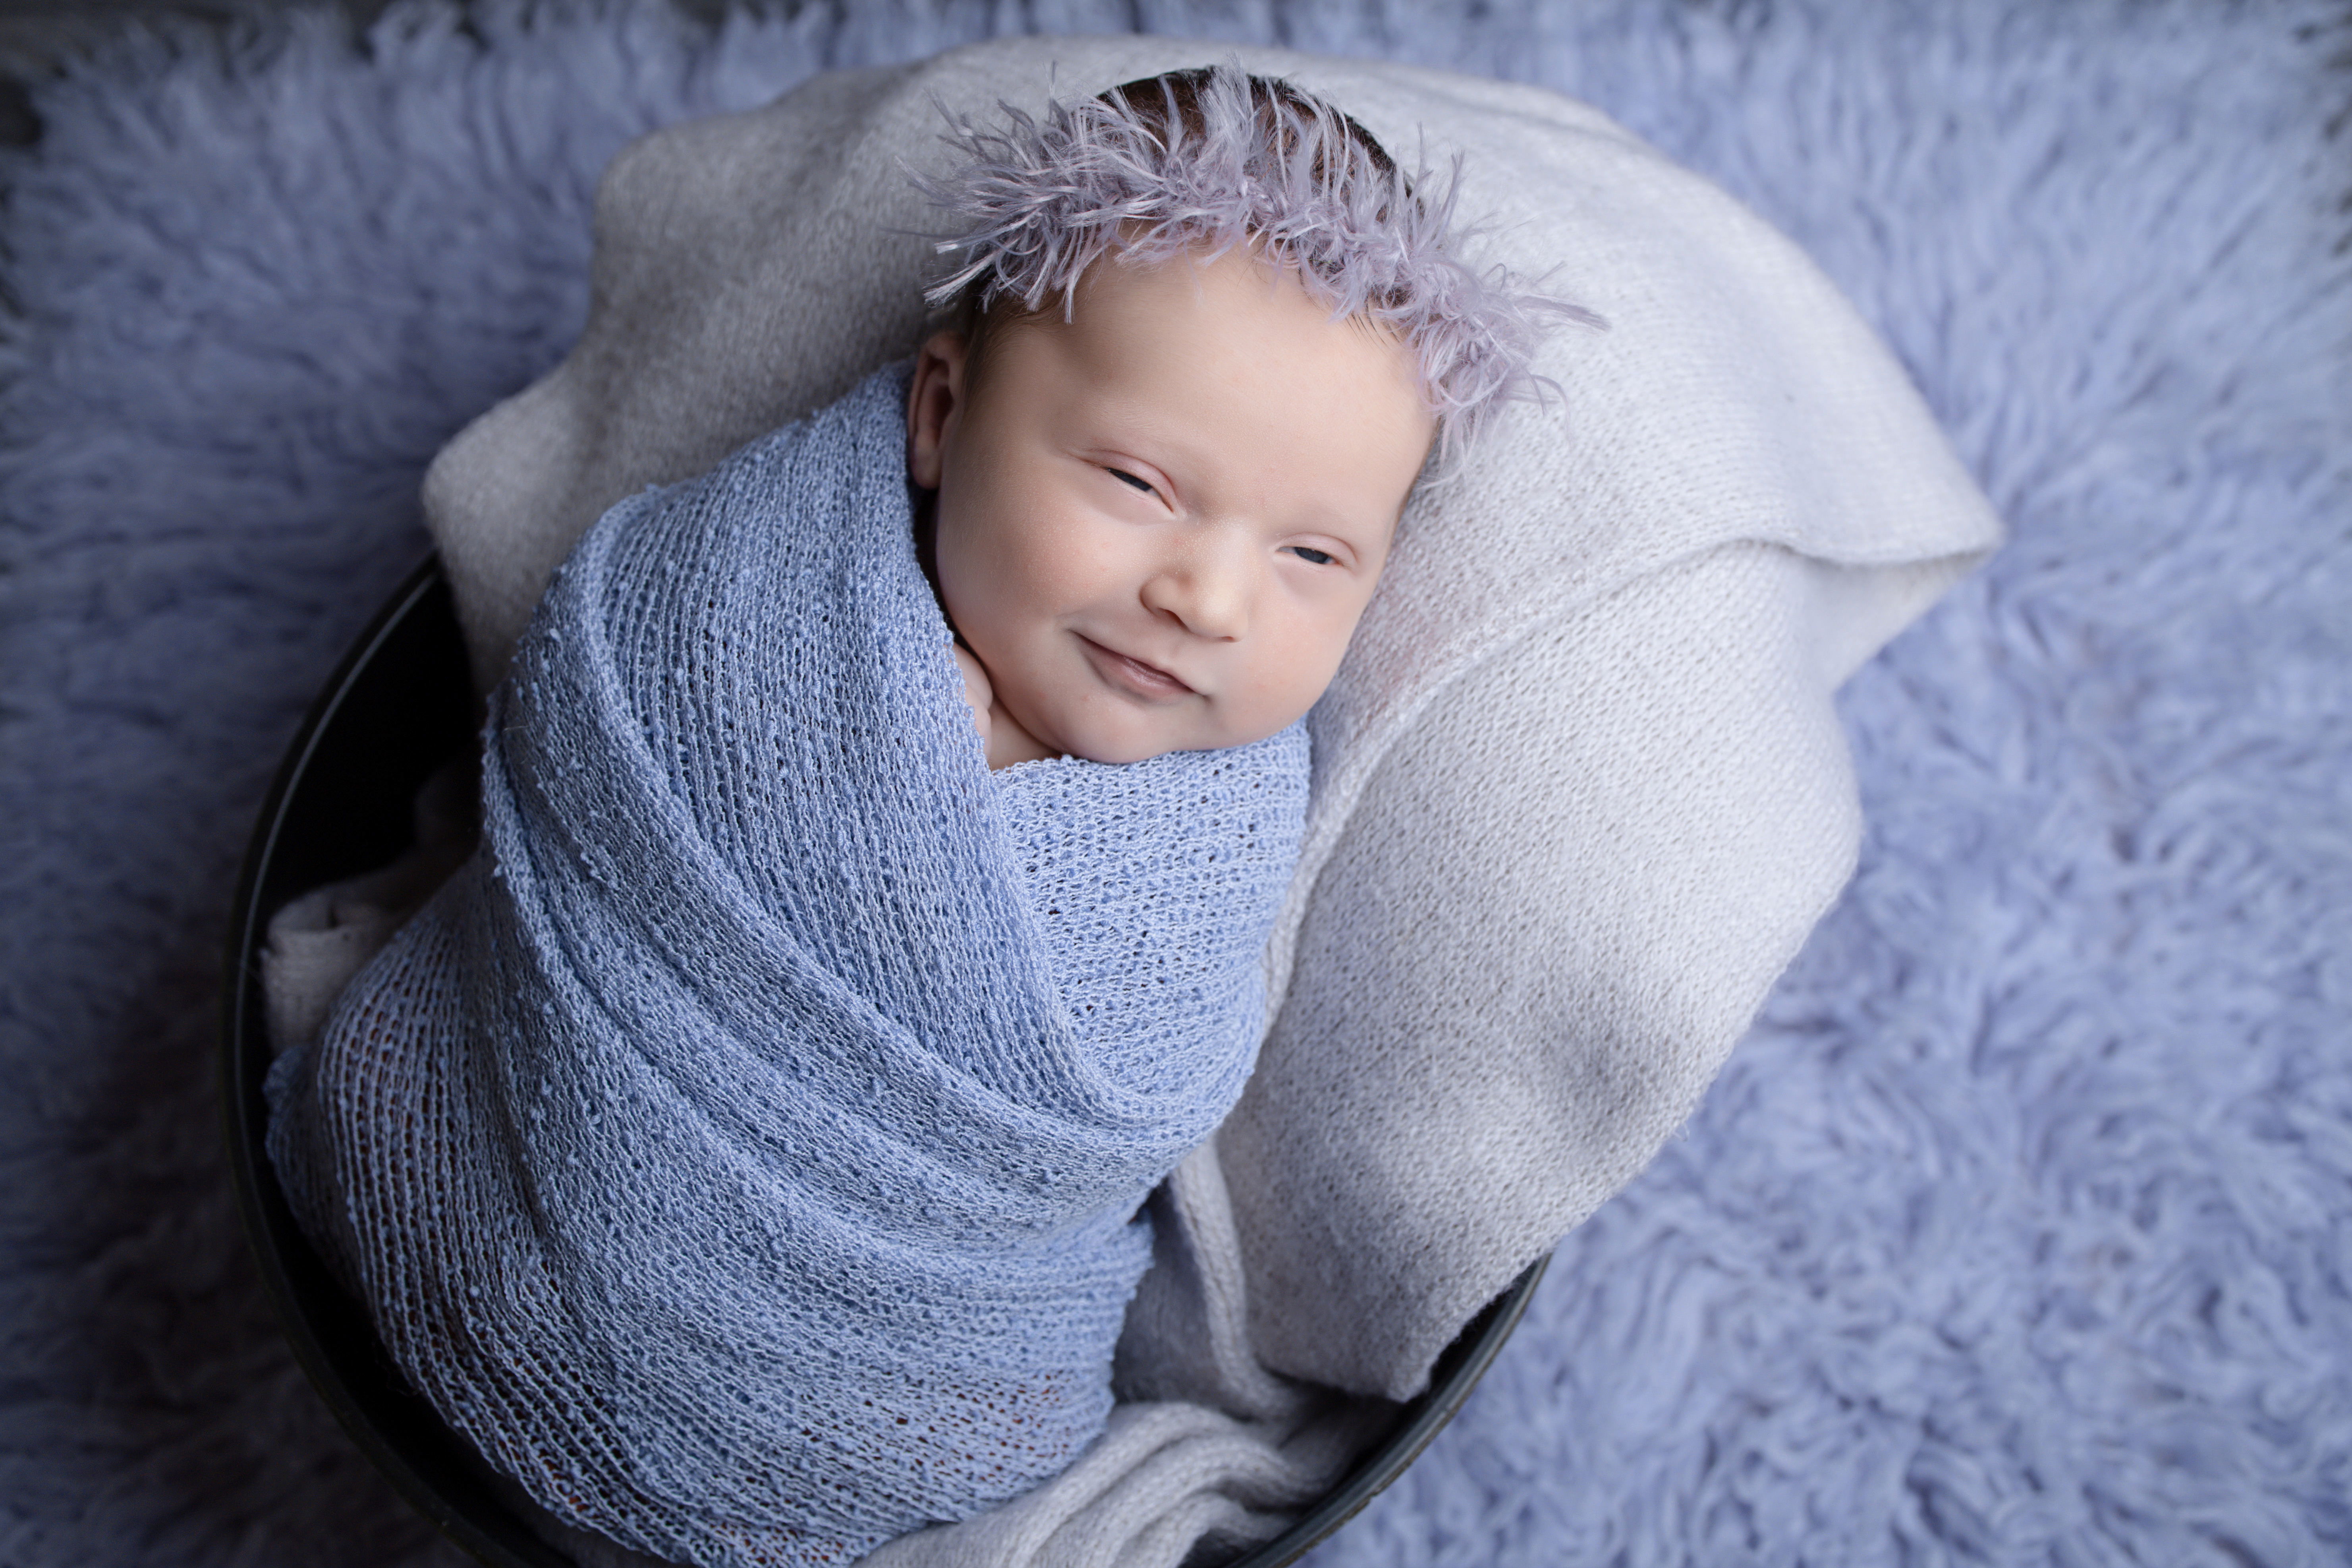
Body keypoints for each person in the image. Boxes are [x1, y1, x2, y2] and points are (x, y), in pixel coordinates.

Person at [265, 64, 1578, 1568]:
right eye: (1138, 479)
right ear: (942, 414)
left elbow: (1153, 1072)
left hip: (916, 1367)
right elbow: (591, 705)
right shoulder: (738, 604)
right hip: (502, 1181)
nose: (1207, 595)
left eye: (1311, 553)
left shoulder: (1208, 839)